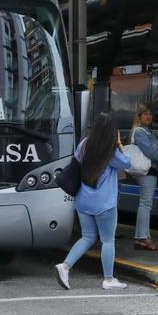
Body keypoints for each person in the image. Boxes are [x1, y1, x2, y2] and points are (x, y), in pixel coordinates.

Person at [55, 113, 131, 290]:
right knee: (107, 240)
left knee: (87, 237)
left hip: (83, 200)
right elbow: (127, 163)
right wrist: (119, 143)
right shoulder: (110, 151)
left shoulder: (84, 144)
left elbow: (78, 161)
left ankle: (64, 266)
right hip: (104, 203)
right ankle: (109, 279)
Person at [131, 104, 158, 251]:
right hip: (147, 171)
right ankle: (143, 238)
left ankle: (141, 237)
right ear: (139, 117)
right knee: (146, 204)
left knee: (145, 203)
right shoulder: (140, 132)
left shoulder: (147, 131)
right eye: (145, 114)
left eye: (150, 114)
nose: (148, 117)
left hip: (150, 170)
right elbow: (149, 151)